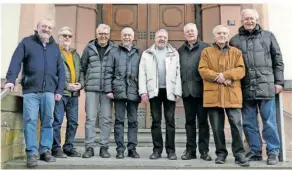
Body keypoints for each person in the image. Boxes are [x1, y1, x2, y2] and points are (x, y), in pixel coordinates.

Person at [4, 17, 65, 167]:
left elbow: (61, 70)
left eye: (49, 27)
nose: (46, 29)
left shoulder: (55, 47)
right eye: (44, 26)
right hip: (31, 90)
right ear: (37, 27)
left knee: (48, 122)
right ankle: (31, 153)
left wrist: (59, 89)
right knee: (30, 121)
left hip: (49, 92)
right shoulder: (27, 42)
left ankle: (45, 150)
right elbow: (16, 60)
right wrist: (10, 79)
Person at [229, 9, 284, 165]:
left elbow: (278, 60)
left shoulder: (268, 36)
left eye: (252, 18)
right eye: (246, 19)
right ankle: (255, 151)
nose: (249, 21)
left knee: (269, 122)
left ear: (257, 19)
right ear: (241, 21)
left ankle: (273, 152)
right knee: (249, 123)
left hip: (266, 86)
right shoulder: (234, 40)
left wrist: (279, 82)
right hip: (246, 88)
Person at [198, 25, 249, 167]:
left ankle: (239, 154)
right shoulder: (206, 52)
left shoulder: (236, 52)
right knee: (216, 127)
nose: (222, 35)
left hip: (232, 94)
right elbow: (203, 70)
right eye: (219, 33)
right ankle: (221, 154)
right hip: (213, 96)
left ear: (228, 35)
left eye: (224, 33)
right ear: (214, 36)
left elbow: (241, 70)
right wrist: (219, 77)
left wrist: (226, 75)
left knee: (236, 126)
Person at [139, 29, 182, 160]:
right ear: (155, 38)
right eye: (159, 37)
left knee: (170, 122)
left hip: (169, 91)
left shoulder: (174, 53)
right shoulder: (147, 53)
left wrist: (178, 91)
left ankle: (171, 151)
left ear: (167, 38)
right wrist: (143, 91)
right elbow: (142, 73)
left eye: (164, 37)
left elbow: (178, 72)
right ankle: (157, 150)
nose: (162, 39)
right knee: (156, 122)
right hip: (154, 91)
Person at [80, 24, 117, 158]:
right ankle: (89, 147)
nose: (103, 36)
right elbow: (82, 68)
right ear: (96, 34)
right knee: (90, 118)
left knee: (106, 119)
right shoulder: (89, 48)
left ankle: (104, 147)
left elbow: (117, 69)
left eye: (105, 33)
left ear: (109, 35)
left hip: (108, 90)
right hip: (91, 89)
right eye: (101, 33)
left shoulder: (114, 49)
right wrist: (84, 84)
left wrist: (114, 88)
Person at [104, 27, 141, 159]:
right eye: (124, 35)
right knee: (119, 121)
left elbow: (142, 73)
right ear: (121, 37)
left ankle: (132, 149)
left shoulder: (138, 53)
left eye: (129, 35)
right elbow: (108, 72)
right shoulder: (114, 52)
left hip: (133, 91)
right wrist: (108, 89)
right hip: (118, 91)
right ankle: (120, 149)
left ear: (133, 37)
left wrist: (142, 91)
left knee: (133, 121)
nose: (127, 37)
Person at [177, 23, 212, 161]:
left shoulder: (206, 48)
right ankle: (190, 151)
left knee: (203, 123)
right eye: (187, 31)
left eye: (192, 31)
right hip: (187, 92)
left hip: (203, 92)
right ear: (184, 34)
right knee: (189, 123)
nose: (190, 33)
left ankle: (204, 151)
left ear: (197, 32)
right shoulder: (180, 50)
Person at [52, 26, 82, 158]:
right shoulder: (54, 52)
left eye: (69, 36)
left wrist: (80, 84)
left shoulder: (75, 54)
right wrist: (66, 86)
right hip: (61, 93)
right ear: (59, 37)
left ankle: (68, 147)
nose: (67, 38)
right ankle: (56, 148)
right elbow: (52, 74)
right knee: (57, 121)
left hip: (74, 95)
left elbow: (81, 71)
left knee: (73, 122)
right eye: (64, 35)